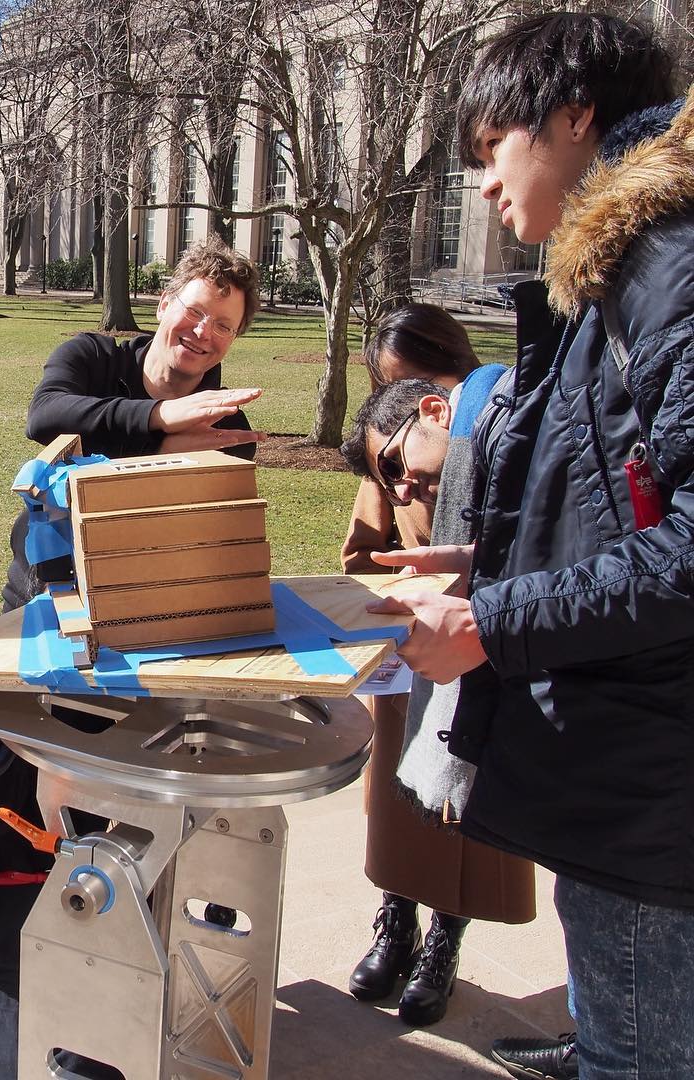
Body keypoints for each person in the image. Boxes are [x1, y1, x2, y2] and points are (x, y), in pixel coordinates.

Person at [365, 13, 692, 1078]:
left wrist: (489, 621)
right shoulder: (624, 268)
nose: (484, 187)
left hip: (656, 785)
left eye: (491, 148)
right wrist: (483, 568)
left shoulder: (671, 266)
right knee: (622, 1020)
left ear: (574, 115)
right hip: (627, 765)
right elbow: (619, 503)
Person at [0, 236, 264, 1079]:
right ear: (165, 301)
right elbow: (48, 415)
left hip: (143, 642)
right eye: (196, 311)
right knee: (13, 794)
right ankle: (9, 966)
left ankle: (110, 991)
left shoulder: (227, 424)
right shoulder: (94, 358)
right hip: (40, 621)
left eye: (224, 326)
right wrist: (159, 429)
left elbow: (201, 533)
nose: (204, 334)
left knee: (121, 818)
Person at [340, 305, 535, 1027]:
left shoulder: (501, 431)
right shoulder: (393, 457)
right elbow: (363, 554)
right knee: (402, 809)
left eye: (420, 380)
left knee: (468, 815)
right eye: (389, 384)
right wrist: (404, 592)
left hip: (491, 646)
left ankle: (444, 942)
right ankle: (395, 925)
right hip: (413, 653)